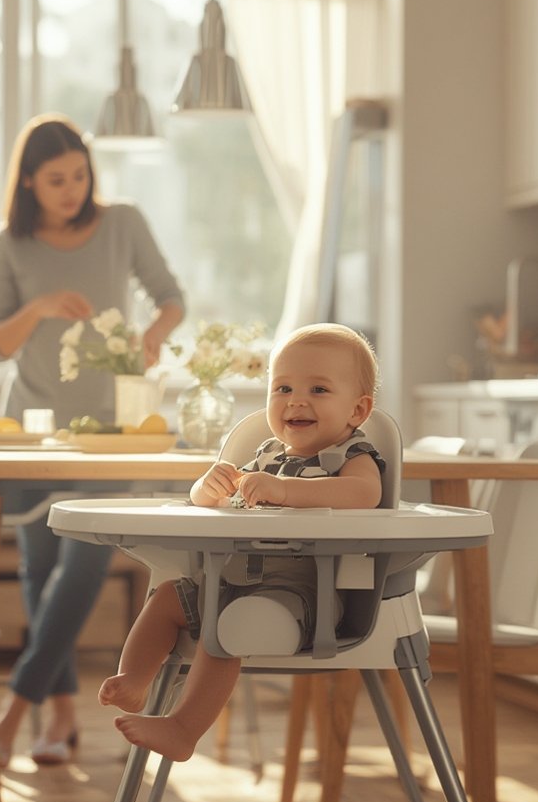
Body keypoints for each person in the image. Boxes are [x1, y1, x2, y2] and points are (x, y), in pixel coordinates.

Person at [0, 113, 184, 768]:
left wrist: (153, 336)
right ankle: (61, 716)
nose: (72, 189)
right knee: (40, 573)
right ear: (30, 182)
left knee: (84, 564)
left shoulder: (122, 223)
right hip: (34, 433)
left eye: (80, 175)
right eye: (56, 179)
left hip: (111, 433)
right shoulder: (8, 246)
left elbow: (172, 297)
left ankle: (13, 709)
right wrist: (36, 308)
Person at [98, 322, 383, 761]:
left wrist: (287, 493)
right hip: (232, 581)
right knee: (170, 597)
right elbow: (213, 500)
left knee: (230, 626)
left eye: (319, 389)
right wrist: (206, 490)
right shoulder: (268, 454)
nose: (296, 400)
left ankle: (183, 729)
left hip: (303, 595)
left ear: (358, 411)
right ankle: (134, 681)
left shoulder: (352, 457)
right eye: (282, 387)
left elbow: (364, 497)